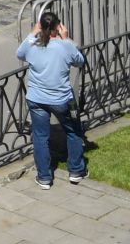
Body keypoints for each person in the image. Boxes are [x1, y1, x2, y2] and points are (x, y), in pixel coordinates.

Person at [17, 11, 87, 188]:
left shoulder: (32, 44)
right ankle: (76, 171)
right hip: (60, 99)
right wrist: (67, 39)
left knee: (40, 137)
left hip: (36, 98)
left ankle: (45, 177)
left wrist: (33, 33)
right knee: (73, 132)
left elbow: (20, 53)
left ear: (40, 25)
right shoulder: (64, 46)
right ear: (58, 26)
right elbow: (80, 61)